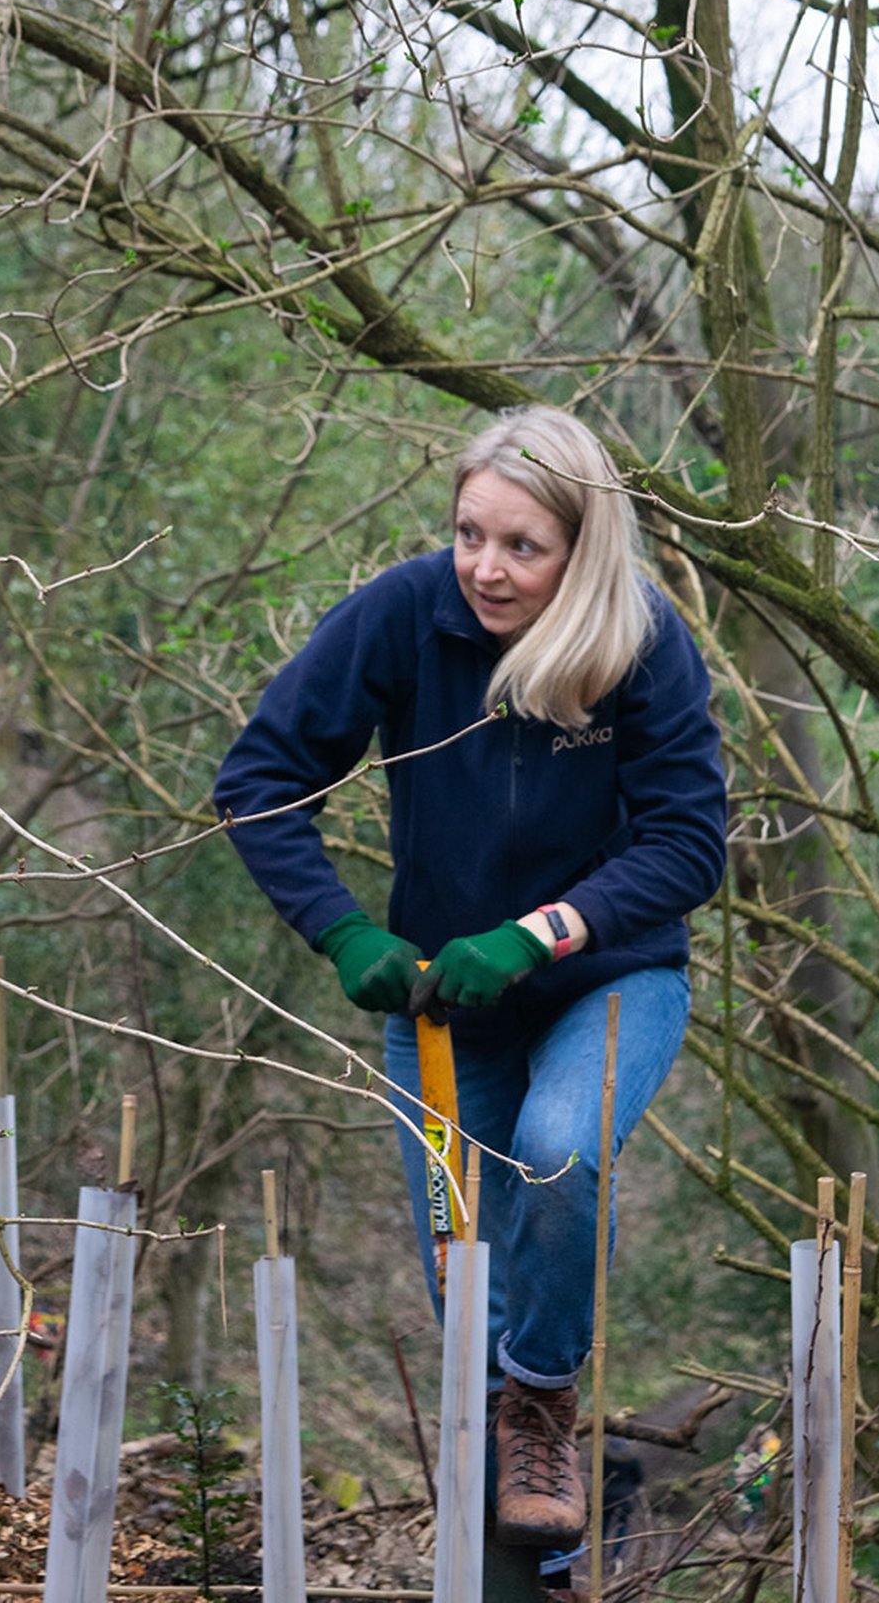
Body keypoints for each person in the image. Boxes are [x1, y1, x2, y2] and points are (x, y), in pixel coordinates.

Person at [214, 406, 726, 1578]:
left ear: (580, 549)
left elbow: (691, 843)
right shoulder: (407, 614)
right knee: (465, 1284)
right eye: (469, 535)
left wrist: (542, 933)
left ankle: (545, 1400)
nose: (488, 569)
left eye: (522, 546)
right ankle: (524, 1565)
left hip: (609, 979)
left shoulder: (641, 642)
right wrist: (342, 930)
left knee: (555, 1154)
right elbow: (259, 777)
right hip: (446, 1012)